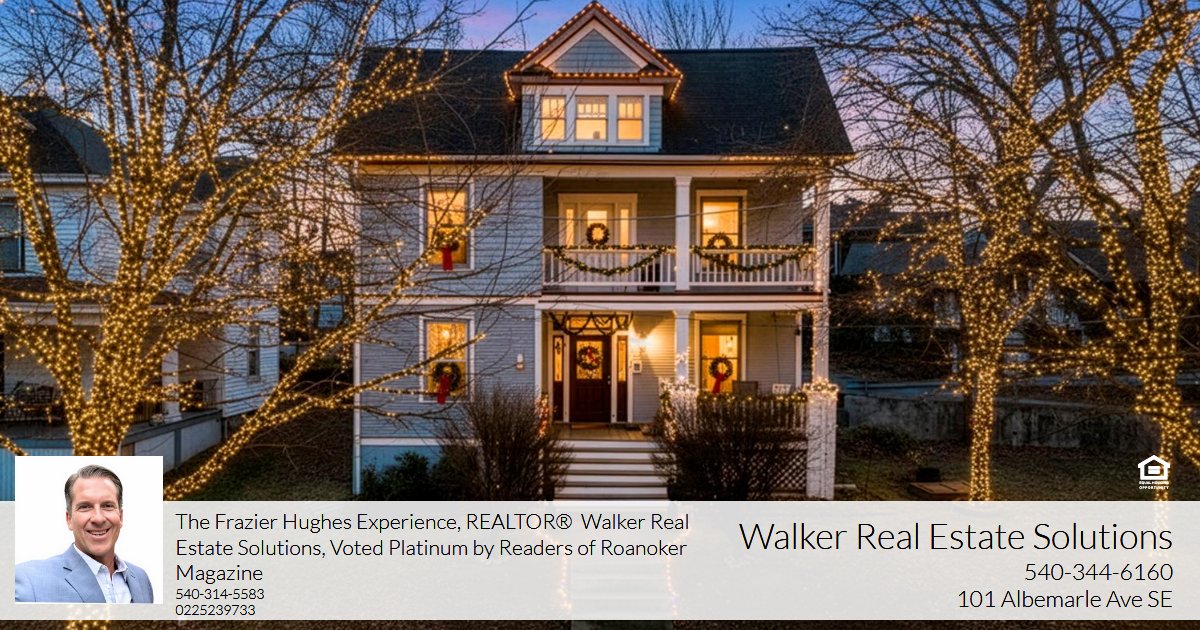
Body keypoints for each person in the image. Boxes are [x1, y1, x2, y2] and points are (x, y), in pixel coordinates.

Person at [14, 464, 153, 603]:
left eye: (107, 506)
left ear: (120, 517)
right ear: (69, 519)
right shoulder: (29, 582)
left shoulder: (141, 579)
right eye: (85, 507)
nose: (98, 518)